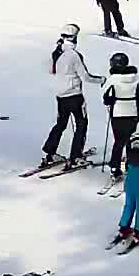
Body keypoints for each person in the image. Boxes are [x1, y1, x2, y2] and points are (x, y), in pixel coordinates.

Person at [42, 23, 104, 169]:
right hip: (75, 96)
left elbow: (51, 71)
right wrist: (101, 80)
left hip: (60, 96)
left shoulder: (56, 53)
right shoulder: (74, 56)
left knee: (60, 124)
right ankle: (75, 156)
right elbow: (86, 76)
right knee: (81, 125)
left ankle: (50, 153)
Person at [99, 51, 139, 178]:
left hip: (118, 113)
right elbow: (138, 97)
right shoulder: (136, 78)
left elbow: (105, 96)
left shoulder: (113, 79)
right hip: (133, 112)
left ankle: (115, 167)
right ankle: (131, 165)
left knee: (118, 141)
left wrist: (110, 101)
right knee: (129, 140)